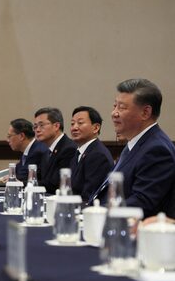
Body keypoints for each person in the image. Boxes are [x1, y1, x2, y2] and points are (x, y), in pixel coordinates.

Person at [88, 78, 175, 217]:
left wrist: (99, 213)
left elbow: (142, 202)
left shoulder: (157, 149)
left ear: (145, 113)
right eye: (114, 106)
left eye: (121, 107)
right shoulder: (135, 143)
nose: (114, 113)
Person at [69, 106, 113, 200]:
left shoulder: (98, 155)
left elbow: (89, 196)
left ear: (96, 128)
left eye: (80, 123)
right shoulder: (79, 152)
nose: (74, 127)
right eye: (72, 123)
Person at [34, 107, 77, 194]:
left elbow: (55, 184)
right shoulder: (47, 151)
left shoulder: (69, 149)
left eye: (41, 125)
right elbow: (39, 178)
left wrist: (23, 183)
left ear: (56, 126)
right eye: (35, 126)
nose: (37, 130)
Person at [6, 118, 48, 183]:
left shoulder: (37, 152)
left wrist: (12, 178)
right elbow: (17, 171)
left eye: (9, 136)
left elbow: (22, 177)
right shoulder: (27, 151)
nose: (8, 140)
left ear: (21, 136)